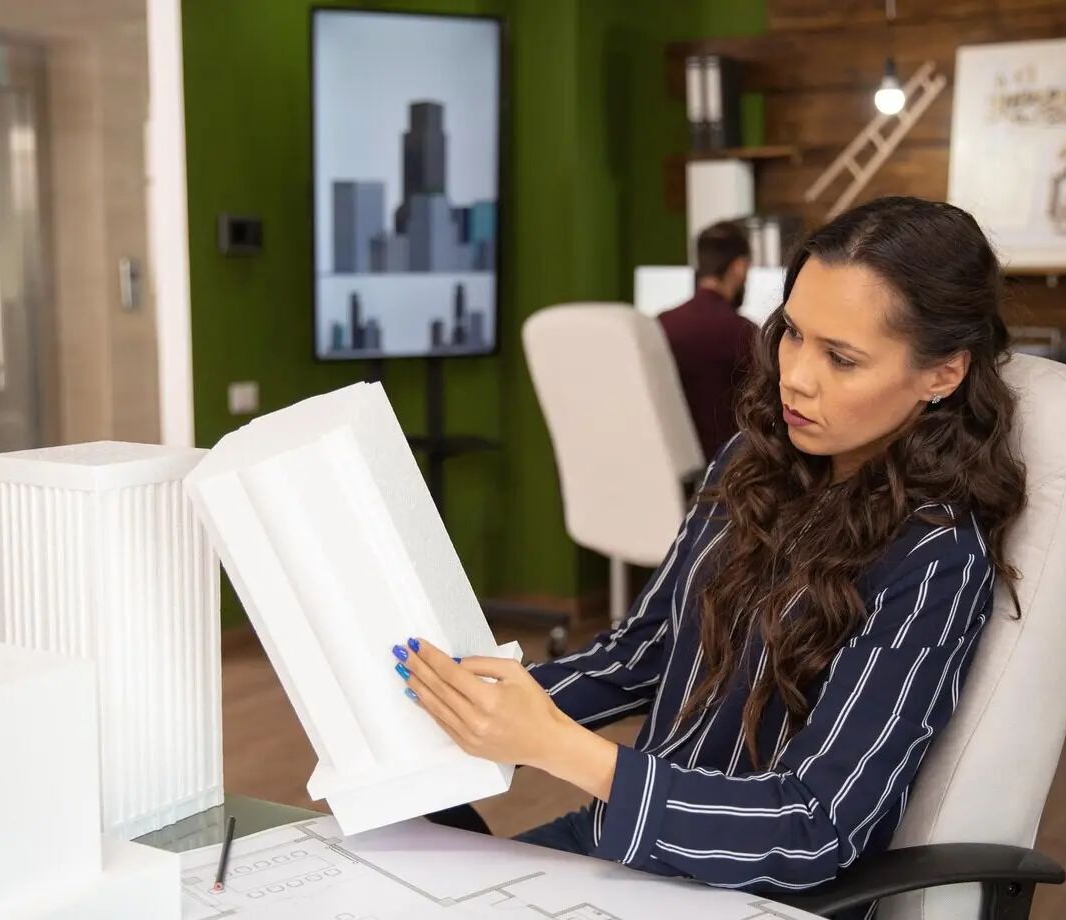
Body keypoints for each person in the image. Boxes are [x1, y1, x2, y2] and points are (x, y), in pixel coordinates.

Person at [391, 196, 1028, 913]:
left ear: (942, 374)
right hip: (627, 853)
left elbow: (815, 829)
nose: (796, 377)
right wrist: (475, 700)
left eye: (841, 358)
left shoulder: (936, 557)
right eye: (792, 334)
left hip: (744, 895)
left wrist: (562, 750)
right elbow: (643, 652)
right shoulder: (748, 463)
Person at [658, 220, 760, 461]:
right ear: (739, 268)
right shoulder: (743, 333)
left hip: (671, 471)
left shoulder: (660, 326)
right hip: (728, 475)